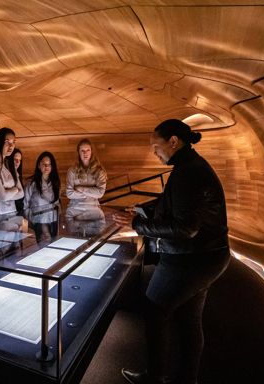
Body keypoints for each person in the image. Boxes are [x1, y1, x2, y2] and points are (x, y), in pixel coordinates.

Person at [113, 119, 231, 384]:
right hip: (209, 257)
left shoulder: (187, 172)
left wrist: (138, 224)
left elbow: (185, 228)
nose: (155, 152)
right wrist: (144, 208)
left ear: (173, 141)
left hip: (189, 260)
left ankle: (154, 378)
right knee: (190, 320)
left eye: (157, 146)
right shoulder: (190, 166)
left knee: (155, 312)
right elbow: (175, 204)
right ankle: (187, 379)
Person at [0, 127, 24, 215]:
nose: (11, 146)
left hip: (12, 214)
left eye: (13, 142)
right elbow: (3, 196)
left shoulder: (10, 165)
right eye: (7, 142)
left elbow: (21, 194)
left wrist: (7, 192)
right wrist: (15, 189)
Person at [24, 151, 60, 242]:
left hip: (52, 221)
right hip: (38, 220)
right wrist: (32, 220)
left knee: (53, 243)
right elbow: (25, 204)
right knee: (41, 243)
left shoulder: (55, 182)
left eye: (49, 164)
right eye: (44, 164)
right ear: (39, 165)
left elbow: (57, 203)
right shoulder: (31, 182)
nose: (46, 166)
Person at [65, 138, 107, 216]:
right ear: (78, 152)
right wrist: (91, 193)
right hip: (75, 211)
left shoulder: (99, 171)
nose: (85, 153)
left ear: (91, 152)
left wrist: (81, 189)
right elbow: (69, 193)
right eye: (82, 151)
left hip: (94, 210)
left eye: (88, 150)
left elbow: (100, 193)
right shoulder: (72, 171)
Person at [9, 147, 25, 215]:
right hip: (9, 213)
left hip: (17, 213)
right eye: (15, 159)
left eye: (19, 160)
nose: (18, 162)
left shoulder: (17, 175)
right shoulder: (8, 176)